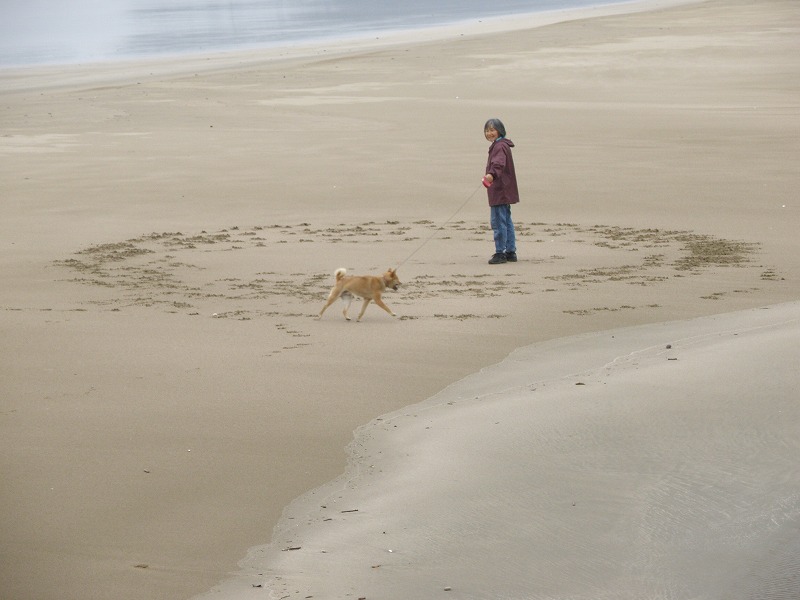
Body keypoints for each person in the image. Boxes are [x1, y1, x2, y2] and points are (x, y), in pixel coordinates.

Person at [482, 118, 519, 264]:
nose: (489, 133)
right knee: (506, 220)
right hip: (504, 190)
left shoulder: (499, 147)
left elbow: (498, 163)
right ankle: (510, 251)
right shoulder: (501, 145)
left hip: (500, 190)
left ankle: (501, 252)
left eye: (492, 130)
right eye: (487, 130)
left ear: (500, 130)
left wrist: (491, 175)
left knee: (498, 221)